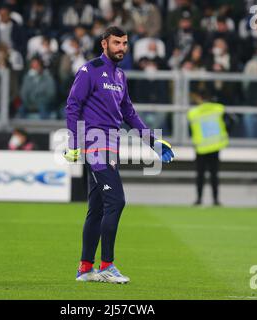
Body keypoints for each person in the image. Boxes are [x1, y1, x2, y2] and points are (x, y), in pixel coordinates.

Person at [64, 26, 174, 284]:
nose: (121, 48)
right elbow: (73, 105)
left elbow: (129, 114)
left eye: (124, 43)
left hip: (111, 145)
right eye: (116, 43)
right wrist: (73, 143)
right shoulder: (89, 70)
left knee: (98, 207)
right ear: (104, 44)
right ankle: (107, 265)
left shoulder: (121, 76)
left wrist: (153, 143)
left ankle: (85, 268)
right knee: (117, 201)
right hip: (95, 144)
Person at [187, 91, 230, 206]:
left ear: (199, 98)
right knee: (214, 175)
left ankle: (199, 199)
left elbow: (190, 129)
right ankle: (216, 200)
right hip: (215, 146)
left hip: (201, 147)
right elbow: (231, 121)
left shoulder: (194, 112)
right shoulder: (218, 109)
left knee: (200, 175)